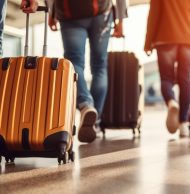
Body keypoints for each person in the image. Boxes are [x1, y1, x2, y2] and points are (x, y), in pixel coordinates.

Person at [21, 0, 128, 143]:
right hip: (101, 12)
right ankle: (94, 120)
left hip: (70, 12)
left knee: (74, 62)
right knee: (99, 66)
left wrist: (51, 11)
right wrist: (120, 19)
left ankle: (86, 105)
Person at [144, 0, 190, 137]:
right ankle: (184, 123)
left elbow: (154, 14)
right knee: (185, 79)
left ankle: (172, 102)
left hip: (165, 37)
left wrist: (148, 42)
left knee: (166, 78)